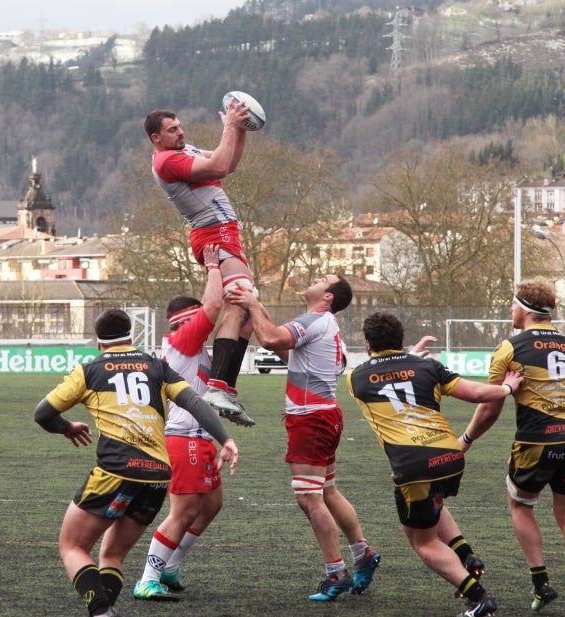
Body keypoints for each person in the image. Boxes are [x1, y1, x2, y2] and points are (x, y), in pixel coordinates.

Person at [33, 308, 239, 617]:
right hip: (156, 477)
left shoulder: (90, 370)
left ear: (98, 341)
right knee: (112, 555)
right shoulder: (157, 366)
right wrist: (226, 439)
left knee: (72, 546)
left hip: (115, 470)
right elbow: (195, 402)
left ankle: (101, 612)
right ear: (132, 336)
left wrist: (68, 428)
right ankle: (106, 611)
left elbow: (43, 414)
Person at [348, 311, 524, 617]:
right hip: (450, 456)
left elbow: (388, 377)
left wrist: (404, 361)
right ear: (400, 339)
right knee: (434, 503)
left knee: (424, 542)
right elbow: (475, 393)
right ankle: (465, 554)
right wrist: (507, 388)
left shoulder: (356, 378)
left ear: (367, 344)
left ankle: (478, 598)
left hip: (414, 465)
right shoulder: (427, 366)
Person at [226, 274, 380, 602]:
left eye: (322, 279)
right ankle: (362, 552)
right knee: (327, 490)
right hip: (324, 416)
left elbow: (269, 340)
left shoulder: (314, 320)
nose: (313, 279)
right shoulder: (325, 325)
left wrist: (252, 304)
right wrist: (258, 309)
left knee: (309, 497)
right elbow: (284, 348)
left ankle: (336, 572)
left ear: (327, 296)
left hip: (311, 419)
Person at [460, 278, 565, 616]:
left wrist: (465, 440)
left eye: (512, 305)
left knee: (521, 506)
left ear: (523, 308)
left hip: (537, 442)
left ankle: (541, 585)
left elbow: (490, 406)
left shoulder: (510, 348)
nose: (510, 310)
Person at [143, 102, 257, 427]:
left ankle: (225, 391)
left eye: (179, 126)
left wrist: (239, 129)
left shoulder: (182, 148)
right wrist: (229, 126)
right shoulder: (167, 161)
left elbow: (229, 162)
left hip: (225, 231)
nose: (181, 132)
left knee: (247, 312)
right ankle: (217, 389)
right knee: (239, 301)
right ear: (156, 138)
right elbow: (219, 166)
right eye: (172, 130)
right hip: (213, 233)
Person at [133, 244, 232, 601]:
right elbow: (214, 306)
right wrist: (213, 267)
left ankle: (170, 566)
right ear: (186, 320)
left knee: (212, 504)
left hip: (198, 437)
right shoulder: (182, 339)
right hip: (184, 437)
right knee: (185, 511)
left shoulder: (192, 347)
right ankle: (148, 578)